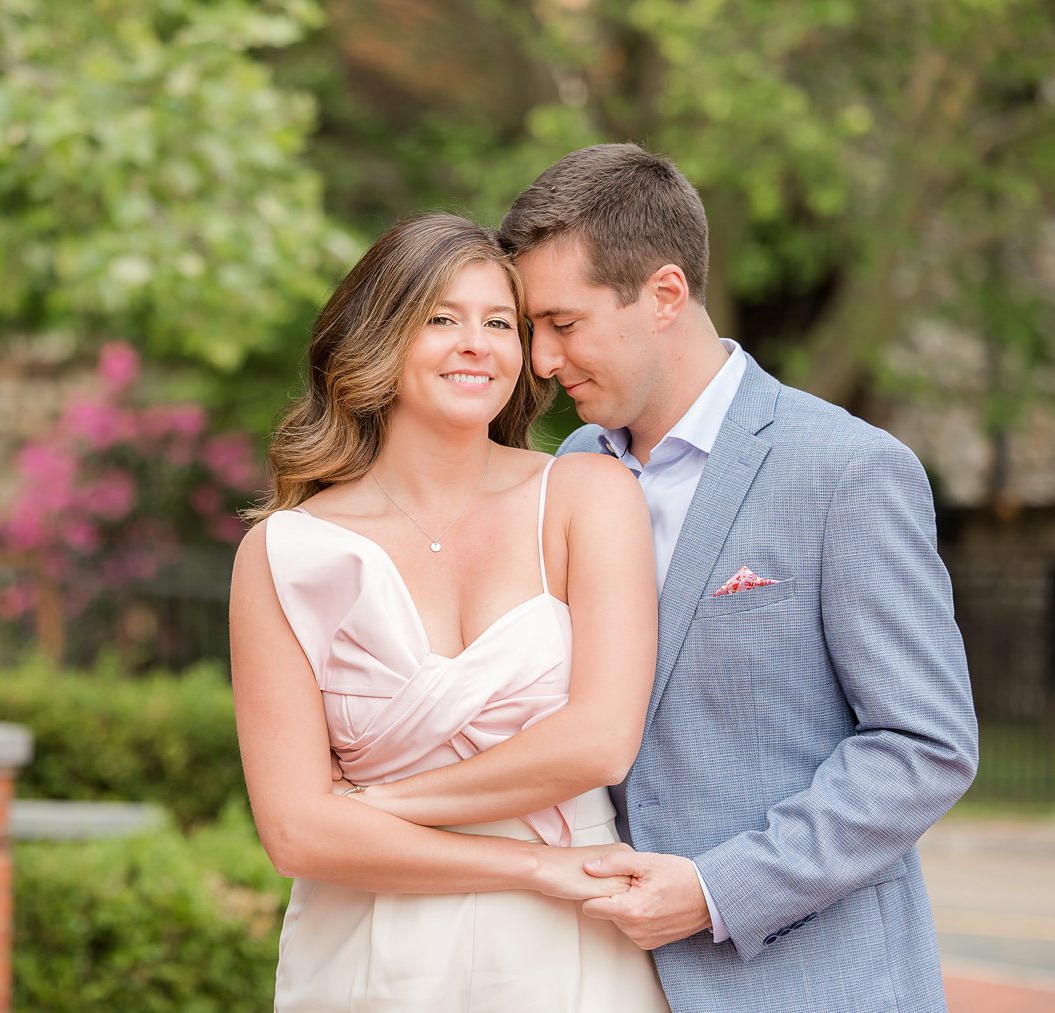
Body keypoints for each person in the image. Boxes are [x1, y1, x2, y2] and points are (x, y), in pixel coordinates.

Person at [345, 145, 980, 1012]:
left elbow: (925, 745)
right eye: (529, 327)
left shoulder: (846, 470)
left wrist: (720, 888)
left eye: (563, 324)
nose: (536, 359)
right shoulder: (561, 472)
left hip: (810, 983)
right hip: (593, 975)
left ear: (666, 296)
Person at [230, 212, 670, 1010]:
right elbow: (294, 832)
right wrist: (533, 867)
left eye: (500, 322)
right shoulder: (282, 555)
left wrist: (372, 807)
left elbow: (600, 742)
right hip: (371, 942)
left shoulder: (586, 496)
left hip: (569, 945)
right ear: (379, 338)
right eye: (442, 318)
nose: (478, 343)